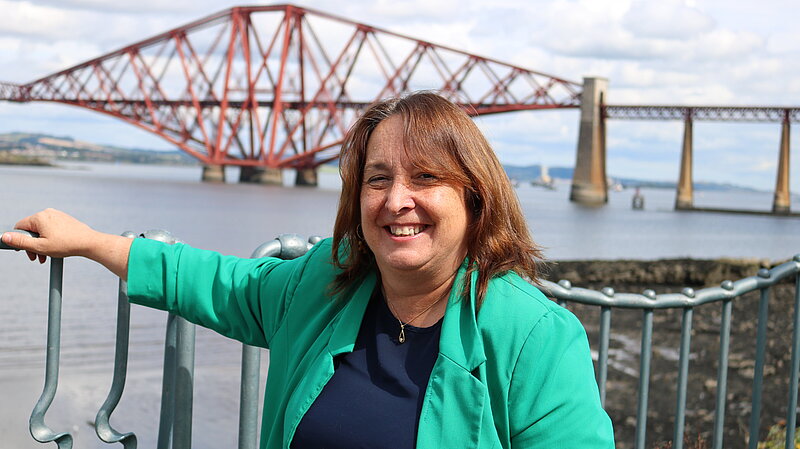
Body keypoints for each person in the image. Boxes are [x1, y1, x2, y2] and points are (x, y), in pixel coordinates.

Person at [2, 92, 615, 448]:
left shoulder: (534, 339)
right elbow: (222, 286)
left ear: (475, 198)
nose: (396, 200)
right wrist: (90, 243)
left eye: (426, 178)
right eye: (378, 178)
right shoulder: (327, 280)